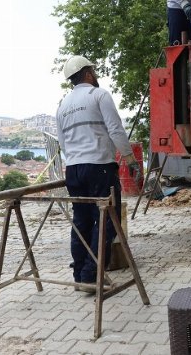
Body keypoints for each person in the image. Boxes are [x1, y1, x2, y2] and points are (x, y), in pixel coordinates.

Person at [56, 55, 141, 291]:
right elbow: (115, 129)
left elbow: (62, 142)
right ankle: (92, 276)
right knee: (107, 222)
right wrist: (130, 159)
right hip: (99, 168)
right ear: (87, 73)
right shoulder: (99, 95)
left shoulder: (62, 105)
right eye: (92, 71)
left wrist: (76, 159)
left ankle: (80, 276)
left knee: (81, 221)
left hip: (73, 170)